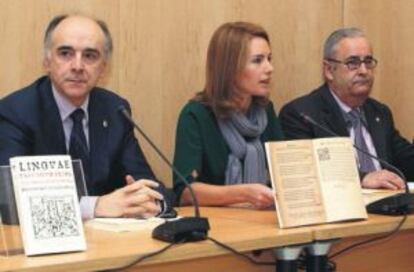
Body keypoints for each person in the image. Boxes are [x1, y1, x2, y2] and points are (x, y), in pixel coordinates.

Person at [0, 14, 172, 219]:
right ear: (47, 61)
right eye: (65, 53)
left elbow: (148, 184)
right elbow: (11, 200)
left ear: (103, 68)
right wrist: (94, 206)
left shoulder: (115, 110)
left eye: (90, 56)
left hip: (108, 244)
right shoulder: (17, 111)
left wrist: (152, 203)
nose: (78, 66)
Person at [279, 27, 414, 189]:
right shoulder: (301, 114)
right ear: (329, 70)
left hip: (387, 209)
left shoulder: (379, 112)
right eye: (353, 63)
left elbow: (408, 162)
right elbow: (305, 175)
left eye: (368, 62)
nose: (364, 71)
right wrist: (363, 178)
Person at [173, 22, 284, 208]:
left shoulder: (265, 111)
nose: (269, 68)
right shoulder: (196, 115)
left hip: (263, 221)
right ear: (230, 68)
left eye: (269, 59)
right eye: (257, 60)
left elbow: (285, 174)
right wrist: (243, 193)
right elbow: (185, 191)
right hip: (217, 224)